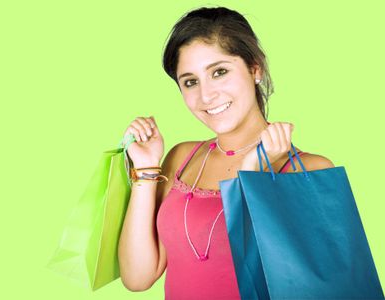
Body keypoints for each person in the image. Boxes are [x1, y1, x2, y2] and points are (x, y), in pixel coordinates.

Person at [118, 6, 335, 299]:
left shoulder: (309, 171)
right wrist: (145, 170)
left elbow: (311, 287)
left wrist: (252, 175)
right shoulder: (182, 159)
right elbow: (137, 277)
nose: (206, 96)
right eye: (190, 81)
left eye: (219, 72)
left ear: (255, 68)